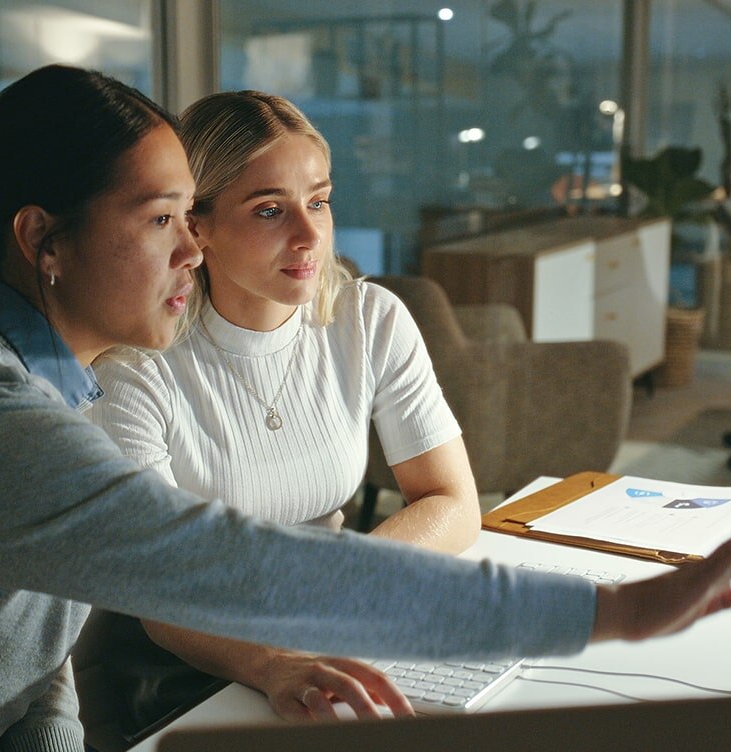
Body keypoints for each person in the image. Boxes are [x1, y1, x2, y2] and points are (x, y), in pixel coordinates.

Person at [0, 66, 731, 752]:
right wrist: (609, 614)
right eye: (166, 217)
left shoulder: (29, 388)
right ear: (43, 240)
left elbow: (27, 664)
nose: (193, 247)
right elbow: (244, 568)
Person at [81, 90, 483, 730]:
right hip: (173, 676)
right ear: (197, 225)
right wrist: (275, 663)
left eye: (318, 202)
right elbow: (160, 600)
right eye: (271, 210)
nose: (310, 236)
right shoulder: (136, 369)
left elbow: (454, 503)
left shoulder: (367, 319)